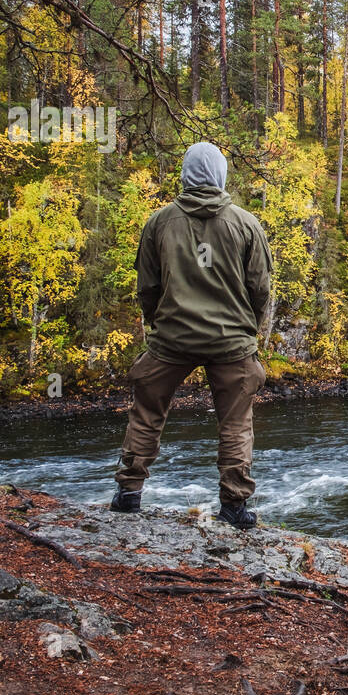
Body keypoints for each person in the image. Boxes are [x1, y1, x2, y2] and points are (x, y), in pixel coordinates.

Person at [110, 141, 272, 529]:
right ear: (221, 176)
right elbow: (261, 289)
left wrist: (157, 325)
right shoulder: (246, 224)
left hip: (171, 339)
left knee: (147, 413)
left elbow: (147, 286)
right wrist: (249, 328)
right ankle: (234, 506)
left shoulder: (160, 222)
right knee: (235, 423)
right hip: (231, 343)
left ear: (185, 175)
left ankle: (129, 493)